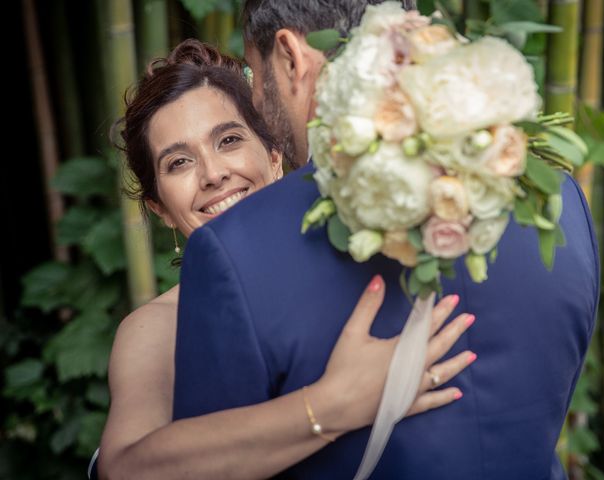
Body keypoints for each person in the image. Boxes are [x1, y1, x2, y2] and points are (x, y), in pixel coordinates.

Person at [173, 1, 599, 479]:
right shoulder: (557, 200)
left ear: (292, 55)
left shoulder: (234, 250)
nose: (255, 102)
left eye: (254, 73)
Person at [95, 39, 475, 480]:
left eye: (229, 140)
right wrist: (332, 406)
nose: (213, 173)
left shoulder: (362, 259)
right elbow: (123, 469)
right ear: (160, 208)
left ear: (275, 155)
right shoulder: (156, 326)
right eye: (179, 162)